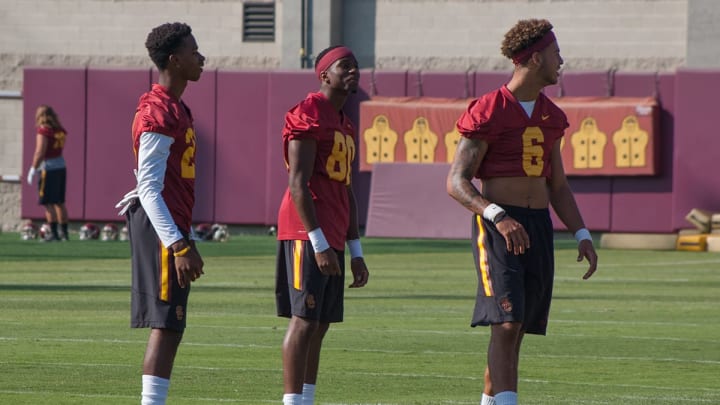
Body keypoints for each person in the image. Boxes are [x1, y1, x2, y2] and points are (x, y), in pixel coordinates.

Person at [446, 19, 598, 405]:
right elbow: (457, 181)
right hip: (500, 225)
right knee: (507, 320)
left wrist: (581, 233)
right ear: (533, 58)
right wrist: (497, 215)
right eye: (555, 53)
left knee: (516, 328)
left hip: (537, 224)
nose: (561, 60)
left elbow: (558, 186)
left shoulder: (552, 115)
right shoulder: (489, 109)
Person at [115, 22, 205, 405]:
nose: (201, 57)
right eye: (194, 51)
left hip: (169, 221)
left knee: (172, 323)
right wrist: (179, 244)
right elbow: (149, 188)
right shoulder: (158, 109)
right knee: (167, 323)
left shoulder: (174, 105)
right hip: (159, 223)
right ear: (174, 59)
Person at [275, 45, 370, 405]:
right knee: (304, 319)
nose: (353, 71)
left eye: (356, 65)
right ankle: (292, 401)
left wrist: (356, 250)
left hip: (334, 232)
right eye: (344, 66)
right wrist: (317, 241)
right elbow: (298, 182)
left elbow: (346, 190)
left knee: (321, 322)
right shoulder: (308, 111)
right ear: (324, 74)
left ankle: (307, 398)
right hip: (306, 230)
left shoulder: (344, 122)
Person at [27, 105, 69, 241]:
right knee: (59, 202)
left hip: (48, 167)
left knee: (48, 202)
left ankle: (54, 234)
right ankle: (64, 234)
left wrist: (33, 168)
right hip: (61, 165)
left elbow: (40, 151)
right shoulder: (59, 130)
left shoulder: (44, 131)